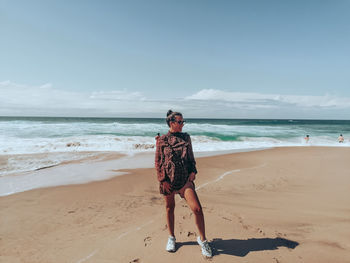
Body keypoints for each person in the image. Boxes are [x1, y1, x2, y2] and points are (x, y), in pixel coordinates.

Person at [155, 110, 212, 258]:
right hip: (168, 180)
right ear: (171, 123)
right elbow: (158, 161)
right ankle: (172, 238)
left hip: (184, 180)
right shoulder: (162, 139)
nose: (182, 124)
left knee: (197, 209)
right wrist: (163, 180)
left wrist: (193, 171)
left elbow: (191, 156)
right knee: (169, 208)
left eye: (183, 122)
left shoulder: (186, 137)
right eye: (179, 122)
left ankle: (203, 240)